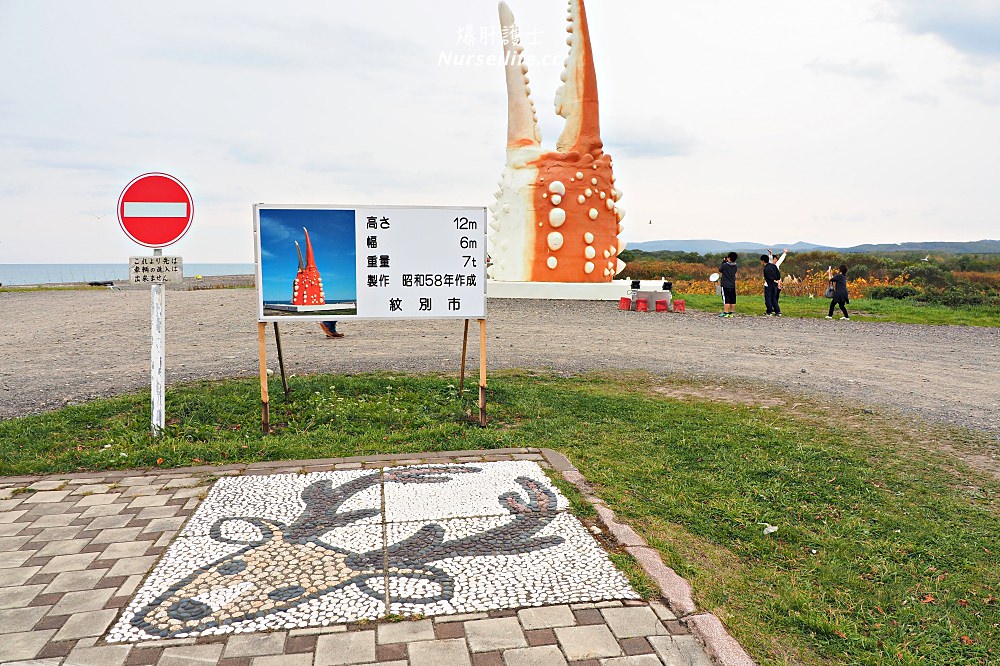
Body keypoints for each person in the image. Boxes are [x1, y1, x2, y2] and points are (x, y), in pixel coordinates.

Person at [718, 252, 738, 317]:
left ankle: (725, 312)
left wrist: (723, 261)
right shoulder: (736, 266)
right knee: (733, 299)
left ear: (729, 258)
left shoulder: (725, 265)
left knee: (726, 298)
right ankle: (731, 313)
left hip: (725, 284)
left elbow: (720, 270)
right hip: (732, 284)